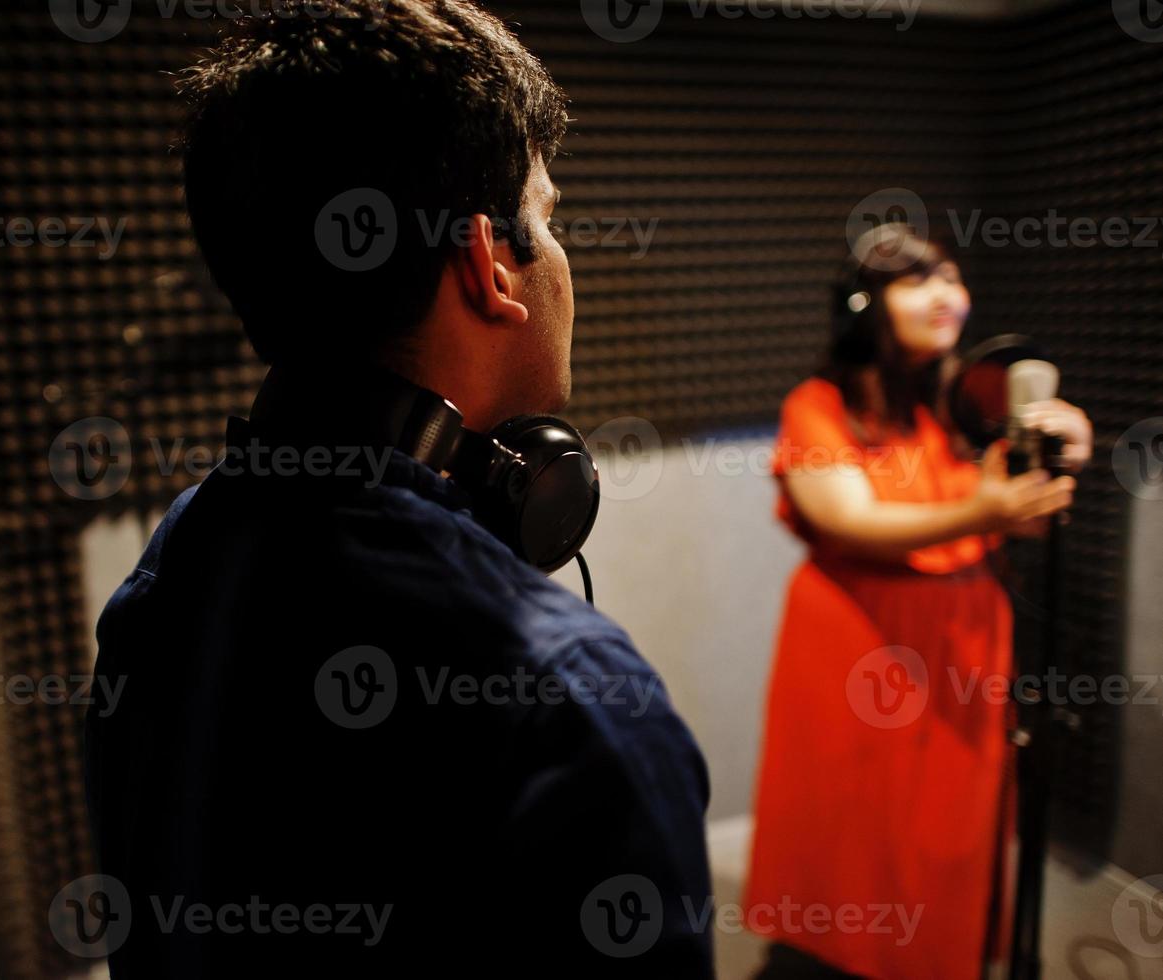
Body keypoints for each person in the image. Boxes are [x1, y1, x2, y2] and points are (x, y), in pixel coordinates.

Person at [82, 2, 714, 974]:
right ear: (489, 263)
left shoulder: (164, 582)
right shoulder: (574, 701)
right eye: (548, 220)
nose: (562, 260)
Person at [742, 223, 1093, 979]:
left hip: (964, 639)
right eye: (918, 280)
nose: (946, 296)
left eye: (951, 278)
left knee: (948, 830)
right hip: (858, 641)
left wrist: (1061, 448)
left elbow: (1025, 511)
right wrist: (985, 511)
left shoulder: (974, 398)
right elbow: (849, 517)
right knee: (854, 827)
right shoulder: (820, 404)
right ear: (866, 304)